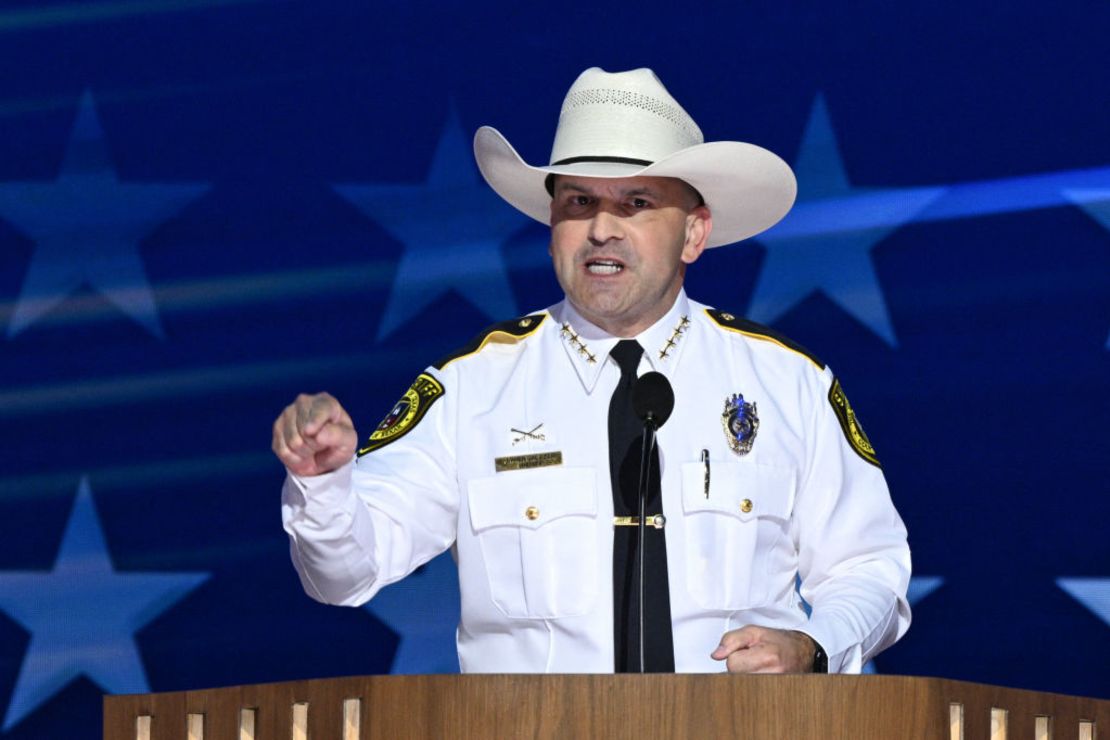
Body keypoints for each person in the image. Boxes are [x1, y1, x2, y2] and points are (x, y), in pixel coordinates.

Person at [273, 67, 911, 674]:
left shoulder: (786, 381)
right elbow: (345, 575)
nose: (602, 229)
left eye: (636, 202)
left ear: (694, 234)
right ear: (552, 227)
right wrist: (325, 485)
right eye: (579, 201)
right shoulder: (474, 387)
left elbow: (871, 567)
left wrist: (814, 645)